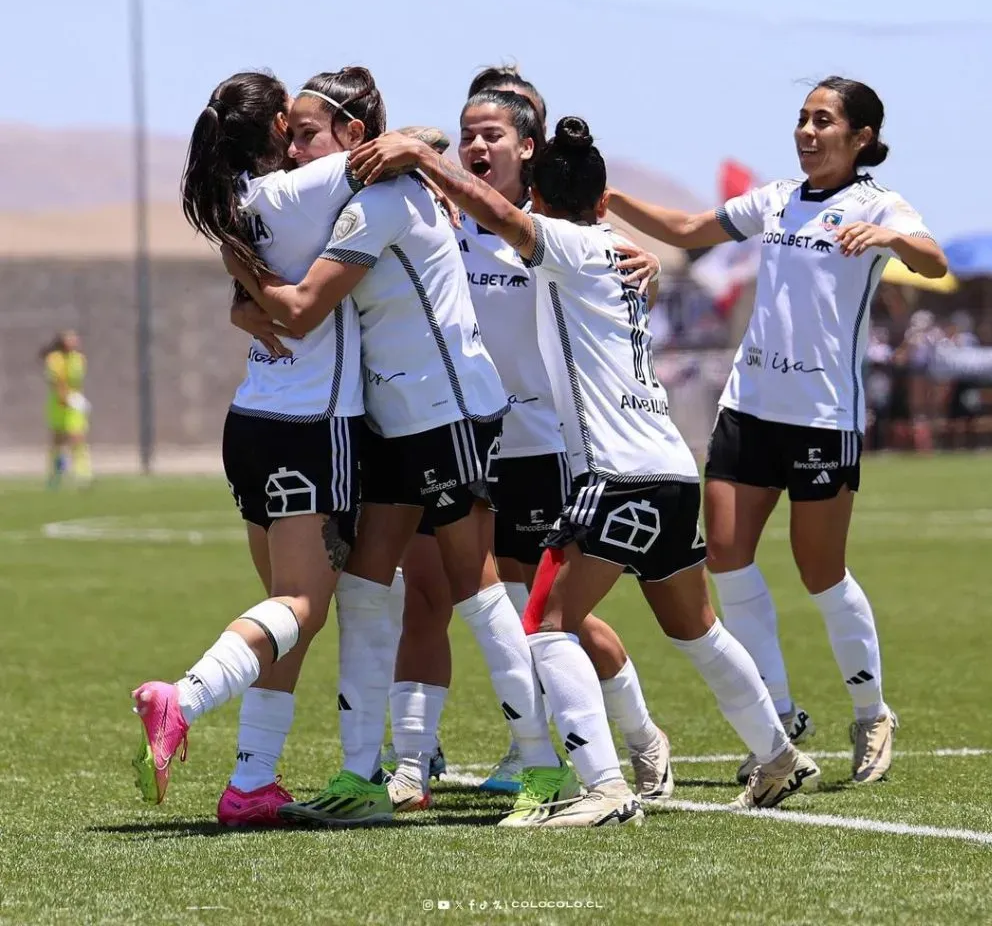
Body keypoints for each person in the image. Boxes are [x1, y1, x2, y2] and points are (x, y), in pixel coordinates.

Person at [350, 116, 822, 826]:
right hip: (670, 466)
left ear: (540, 197)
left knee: (542, 625)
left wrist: (421, 156)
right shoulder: (620, 254)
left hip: (617, 473)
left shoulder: (562, 245)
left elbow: (503, 216)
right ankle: (778, 755)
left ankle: (603, 787)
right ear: (604, 204)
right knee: (695, 627)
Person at [227, 72, 575, 827]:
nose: (292, 146)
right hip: (391, 417)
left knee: (476, 591)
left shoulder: (382, 199)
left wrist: (237, 260)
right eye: (288, 133)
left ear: (356, 135)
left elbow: (299, 310)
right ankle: (361, 777)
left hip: (446, 413)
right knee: (362, 586)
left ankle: (542, 768)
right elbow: (261, 299)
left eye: (307, 130)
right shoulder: (344, 199)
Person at [604, 76, 948, 786]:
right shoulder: (777, 198)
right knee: (726, 557)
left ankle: (872, 712)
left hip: (823, 416)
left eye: (824, 121)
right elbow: (691, 230)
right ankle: (779, 716)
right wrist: (608, 199)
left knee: (820, 573)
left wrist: (889, 237)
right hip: (749, 407)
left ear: (862, 139)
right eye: (802, 118)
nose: (807, 130)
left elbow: (932, 259)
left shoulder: (880, 203)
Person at [390, 88, 674, 806]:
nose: (476, 147)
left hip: (537, 443)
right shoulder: (444, 214)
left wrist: (651, 272)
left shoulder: (553, 231)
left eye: (492, 135)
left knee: (546, 609)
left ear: (530, 150)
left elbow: (614, 286)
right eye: (466, 137)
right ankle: (428, 758)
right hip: (461, 435)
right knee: (441, 597)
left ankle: (640, 737)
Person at [131, 70, 366, 826]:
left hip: (253, 419)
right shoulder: (303, 190)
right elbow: (406, 148)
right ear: (275, 133)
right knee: (303, 604)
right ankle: (182, 700)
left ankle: (251, 784)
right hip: (309, 425)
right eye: (291, 124)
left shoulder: (234, 205)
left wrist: (247, 289)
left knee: (282, 614)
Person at [40, 331, 91, 486]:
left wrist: (76, 400)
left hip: (73, 405)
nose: (74, 341)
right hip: (58, 404)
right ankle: (56, 474)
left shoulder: (79, 359)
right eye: (70, 339)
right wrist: (65, 397)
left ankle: (82, 473)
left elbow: (77, 381)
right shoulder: (54, 359)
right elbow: (56, 381)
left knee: (78, 436)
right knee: (58, 440)